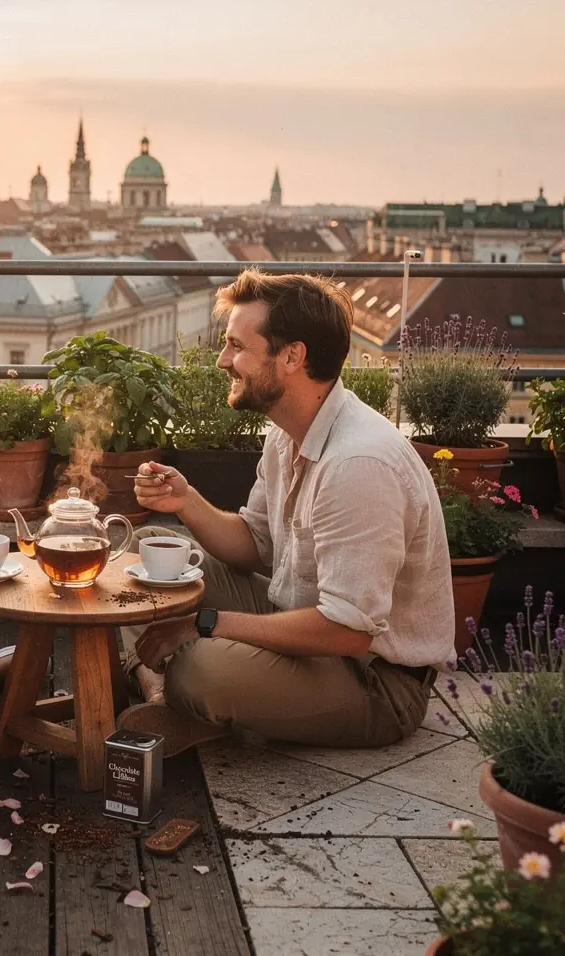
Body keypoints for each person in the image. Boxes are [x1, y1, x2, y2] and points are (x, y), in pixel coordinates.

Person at [116, 269, 455, 756]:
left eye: (237, 346)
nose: (222, 360)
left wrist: (203, 624)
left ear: (292, 356)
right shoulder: (288, 431)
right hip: (294, 620)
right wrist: (184, 502)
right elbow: (255, 546)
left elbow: (347, 630)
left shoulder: (358, 464)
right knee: (142, 570)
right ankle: (163, 702)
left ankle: (183, 696)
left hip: (374, 681)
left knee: (201, 669)